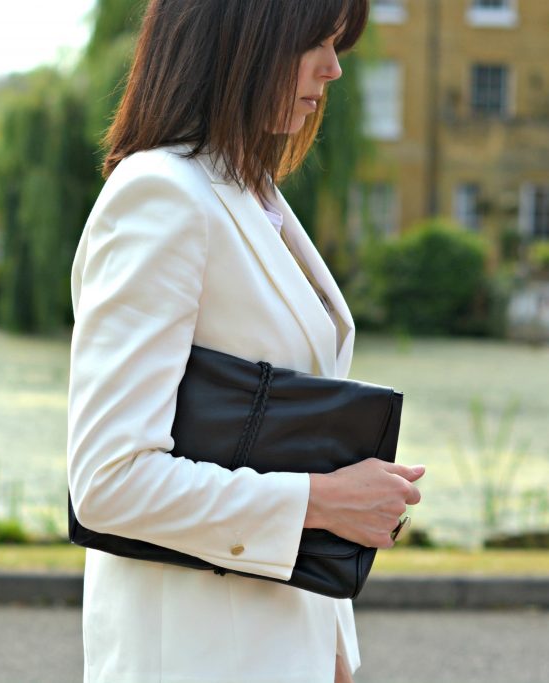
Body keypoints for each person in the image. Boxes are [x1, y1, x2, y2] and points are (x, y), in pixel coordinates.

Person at [66, 1, 425, 681]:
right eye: (313, 42)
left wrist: (335, 654)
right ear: (241, 38)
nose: (334, 67)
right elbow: (108, 481)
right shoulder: (162, 196)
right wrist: (323, 501)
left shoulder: (244, 189)